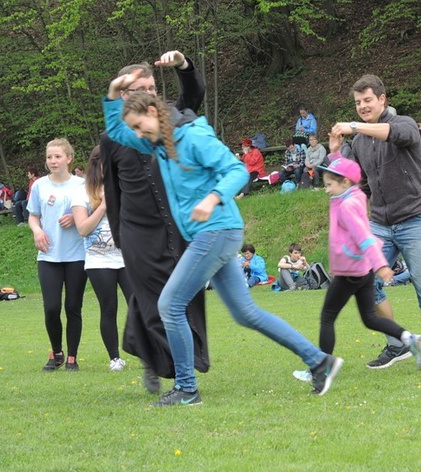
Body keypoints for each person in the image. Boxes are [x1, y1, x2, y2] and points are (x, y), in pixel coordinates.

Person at [103, 71, 343, 404]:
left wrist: (212, 198)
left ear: (155, 114)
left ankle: (187, 388)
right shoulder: (156, 143)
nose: (137, 134)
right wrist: (113, 93)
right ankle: (319, 362)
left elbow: (237, 171)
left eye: (140, 125)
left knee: (170, 305)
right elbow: (115, 131)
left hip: (216, 230)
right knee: (246, 313)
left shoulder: (193, 138)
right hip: (212, 234)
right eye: (135, 129)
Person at [100, 50, 209, 393]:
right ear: (124, 95)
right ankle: (175, 369)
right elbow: (112, 191)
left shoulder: (170, 121)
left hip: (177, 227)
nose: (147, 92)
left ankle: (154, 356)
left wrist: (183, 65)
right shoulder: (113, 137)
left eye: (151, 85)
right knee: (150, 301)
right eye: (137, 88)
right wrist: (119, 235)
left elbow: (194, 95)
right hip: (137, 232)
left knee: (182, 297)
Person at [330, 74, 421, 369]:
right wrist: (334, 150)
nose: (363, 106)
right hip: (380, 223)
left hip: (415, 218)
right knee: (364, 281)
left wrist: (355, 126)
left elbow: (397, 135)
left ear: (383, 99)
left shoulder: (404, 124)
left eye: (368, 100)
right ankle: (397, 344)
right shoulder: (359, 143)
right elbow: (355, 182)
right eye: (358, 103)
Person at [292, 158, 421, 382]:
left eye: (329, 185)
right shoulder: (354, 195)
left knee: (327, 317)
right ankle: (410, 339)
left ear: (345, 182)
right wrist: (336, 153)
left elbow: (364, 237)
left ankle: (320, 368)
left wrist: (382, 265)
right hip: (362, 270)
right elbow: (344, 173)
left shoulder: (347, 206)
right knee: (369, 318)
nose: (326, 189)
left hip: (350, 270)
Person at [27, 139, 87, 371]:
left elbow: (92, 215)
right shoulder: (40, 185)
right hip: (48, 257)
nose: (52, 161)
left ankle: (72, 357)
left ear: (69, 159)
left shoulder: (82, 184)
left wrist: (76, 217)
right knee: (51, 308)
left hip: (76, 256)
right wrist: (37, 230)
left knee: (73, 307)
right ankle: (57, 353)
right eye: (49, 157)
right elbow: (33, 215)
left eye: (57, 156)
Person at [71, 147, 132, 371]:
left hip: (127, 258)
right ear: (99, 162)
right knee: (109, 308)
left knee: (139, 305)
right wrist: (104, 205)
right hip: (99, 261)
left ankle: (147, 351)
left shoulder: (124, 186)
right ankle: (115, 358)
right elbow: (83, 229)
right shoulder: (82, 191)